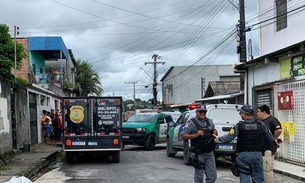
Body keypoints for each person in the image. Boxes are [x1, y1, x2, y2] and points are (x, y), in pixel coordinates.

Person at [213, 104, 274, 183]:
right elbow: (270, 139)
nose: (240, 115)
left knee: (244, 177)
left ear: (244, 114)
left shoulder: (239, 126)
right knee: (258, 178)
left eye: (240, 113)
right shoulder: (261, 124)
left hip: (244, 156)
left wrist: (218, 138)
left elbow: (228, 138)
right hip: (257, 155)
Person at [181, 104, 218, 183]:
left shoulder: (209, 122)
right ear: (196, 112)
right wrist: (196, 134)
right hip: (198, 153)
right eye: (200, 112)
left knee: (212, 176)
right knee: (199, 177)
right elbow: (183, 136)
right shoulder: (191, 123)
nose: (202, 113)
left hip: (209, 153)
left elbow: (215, 132)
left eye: (204, 112)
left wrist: (215, 132)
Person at [257, 104, 282, 183]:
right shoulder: (260, 121)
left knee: (267, 171)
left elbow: (279, 130)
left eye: (258, 112)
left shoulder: (272, 120)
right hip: (261, 150)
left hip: (268, 150)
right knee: (261, 171)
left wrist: (273, 139)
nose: (257, 113)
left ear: (264, 112)